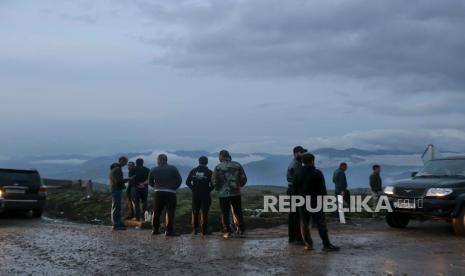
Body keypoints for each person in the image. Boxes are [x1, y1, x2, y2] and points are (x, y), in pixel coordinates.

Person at [294, 153, 340, 251]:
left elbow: (294, 189)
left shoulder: (297, 173)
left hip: (302, 201)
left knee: (304, 223)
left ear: (302, 161)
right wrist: (324, 199)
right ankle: (326, 245)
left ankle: (308, 245)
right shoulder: (317, 172)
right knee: (320, 223)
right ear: (312, 161)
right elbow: (322, 189)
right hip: (316, 201)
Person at [212, 150, 247, 239]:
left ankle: (227, 231)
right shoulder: (237, 165)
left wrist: (218, 189)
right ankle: (241, 230)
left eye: (219, 156)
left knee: (225, 213)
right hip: (236, 193)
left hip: (223, 194)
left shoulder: (218, 167)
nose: (219, 158)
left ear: (222, 156)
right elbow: (243, 178)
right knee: (238, 211)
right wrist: (239, 185)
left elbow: (215, 181)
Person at [148, 154, 182, 236]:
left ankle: (155, 230)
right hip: (170, 193)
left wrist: (156, 187)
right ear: (166, 160)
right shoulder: (173, 168)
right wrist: (174, 188)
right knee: (170, 211)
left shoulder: (154, 169)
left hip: (158, 192)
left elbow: (150, 182)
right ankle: (169, 231)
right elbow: (179, 180)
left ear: (158, 160)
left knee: (156, 211)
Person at [186, 156, 214, 235]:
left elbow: (187, 182)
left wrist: (194, 189)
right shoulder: (209, 172)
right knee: (204, 212)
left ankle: (194, 230)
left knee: (195, 211)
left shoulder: (193, 171)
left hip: (195, 194)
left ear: (199, 162)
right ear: (207, 162)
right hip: (205, 195)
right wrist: (208, 190)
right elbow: (213, 184)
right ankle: (204, 230)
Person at [286, 146, 307, 244]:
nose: (303, 154)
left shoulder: (297, 163)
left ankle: (293, 238)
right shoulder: (296, 164)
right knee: (296, 215)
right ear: (295, 153)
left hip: (292, 190)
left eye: (303, 152)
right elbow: (299, 180)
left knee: (293, 214)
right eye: (301, 152)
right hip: (295, 190)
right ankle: (297, 238)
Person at [109, 156, 128, 231]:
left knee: (116, 206)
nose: (126, 164)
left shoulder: (115, 169)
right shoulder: (118, 169)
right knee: (116, 207)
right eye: (125, 162)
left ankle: (118, 223)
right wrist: (128, 179)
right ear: (121, 161)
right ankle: (116, 224)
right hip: (116, 189)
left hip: (115, 189)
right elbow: (118, 181)